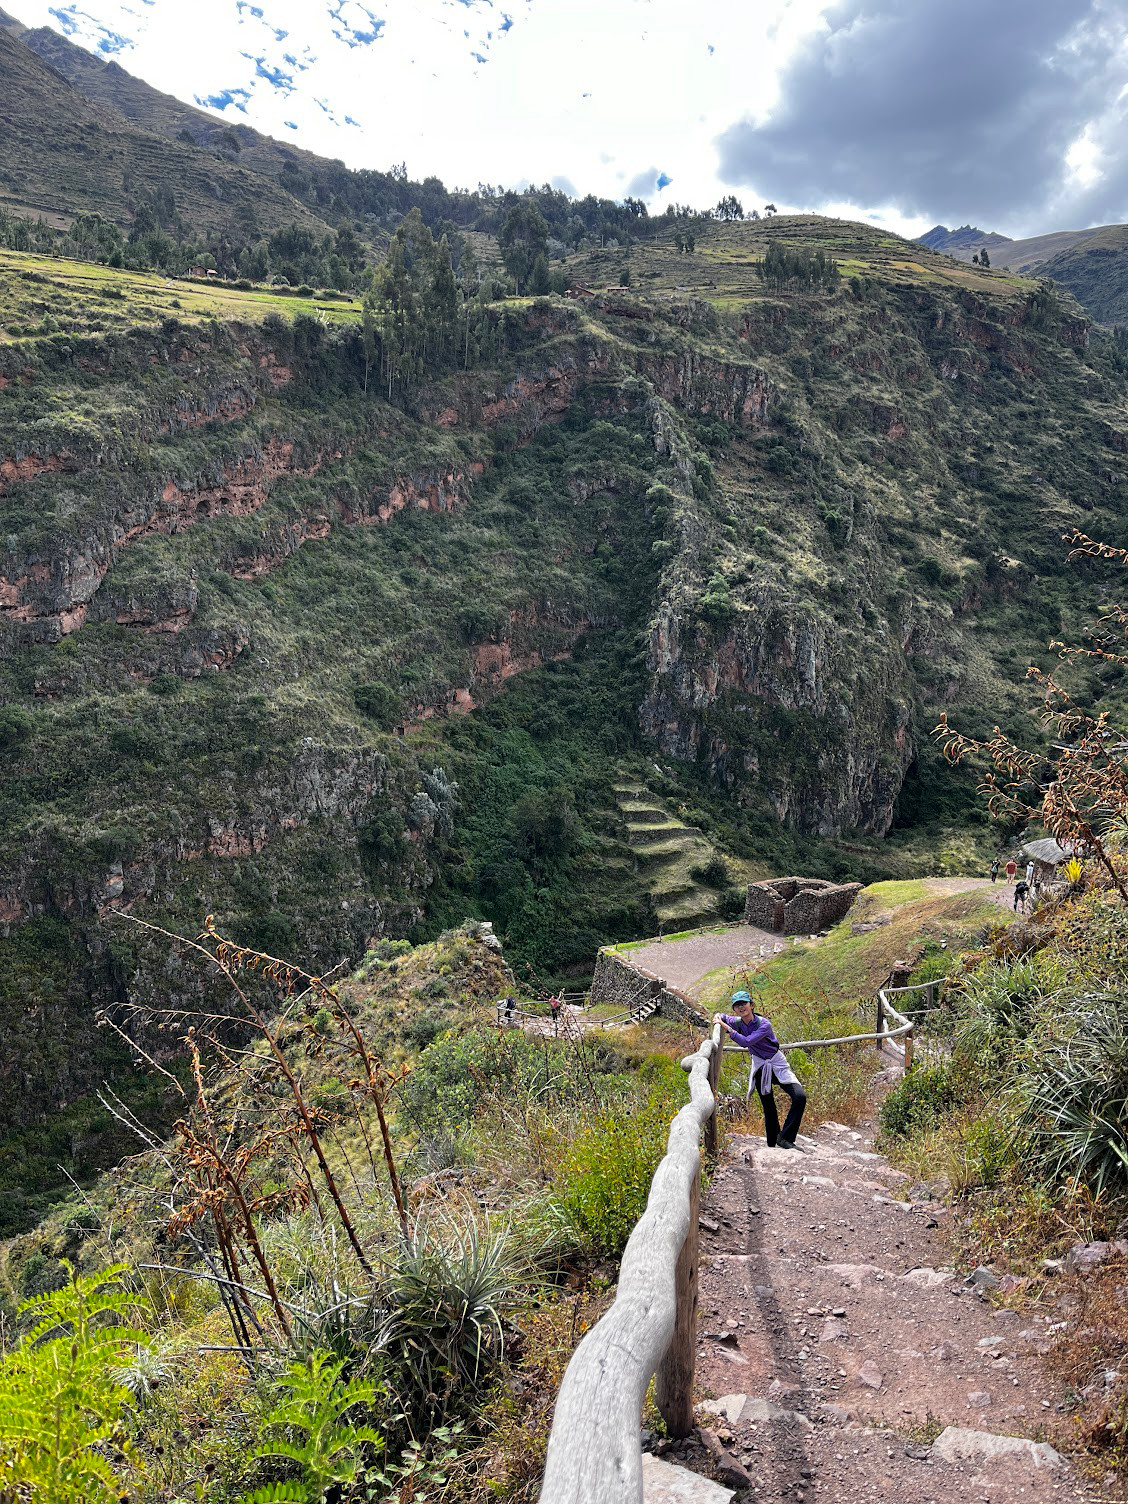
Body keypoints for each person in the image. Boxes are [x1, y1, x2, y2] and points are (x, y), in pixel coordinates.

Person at [715, 990, 806, 1150]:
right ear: (734, 1009)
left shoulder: (764, 1024)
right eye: (737, 1005)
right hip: (760, 1066)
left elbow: (746, 1041)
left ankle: (786, 1137)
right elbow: (722, 1016)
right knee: (768, 1105)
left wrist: (727, 1029)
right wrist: (718, 1017)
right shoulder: (737, 1022)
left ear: (752, 1005)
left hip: (777, 1064)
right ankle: (773, 1143)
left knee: (799, 1097)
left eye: (744, 1003)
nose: (741, 1007)